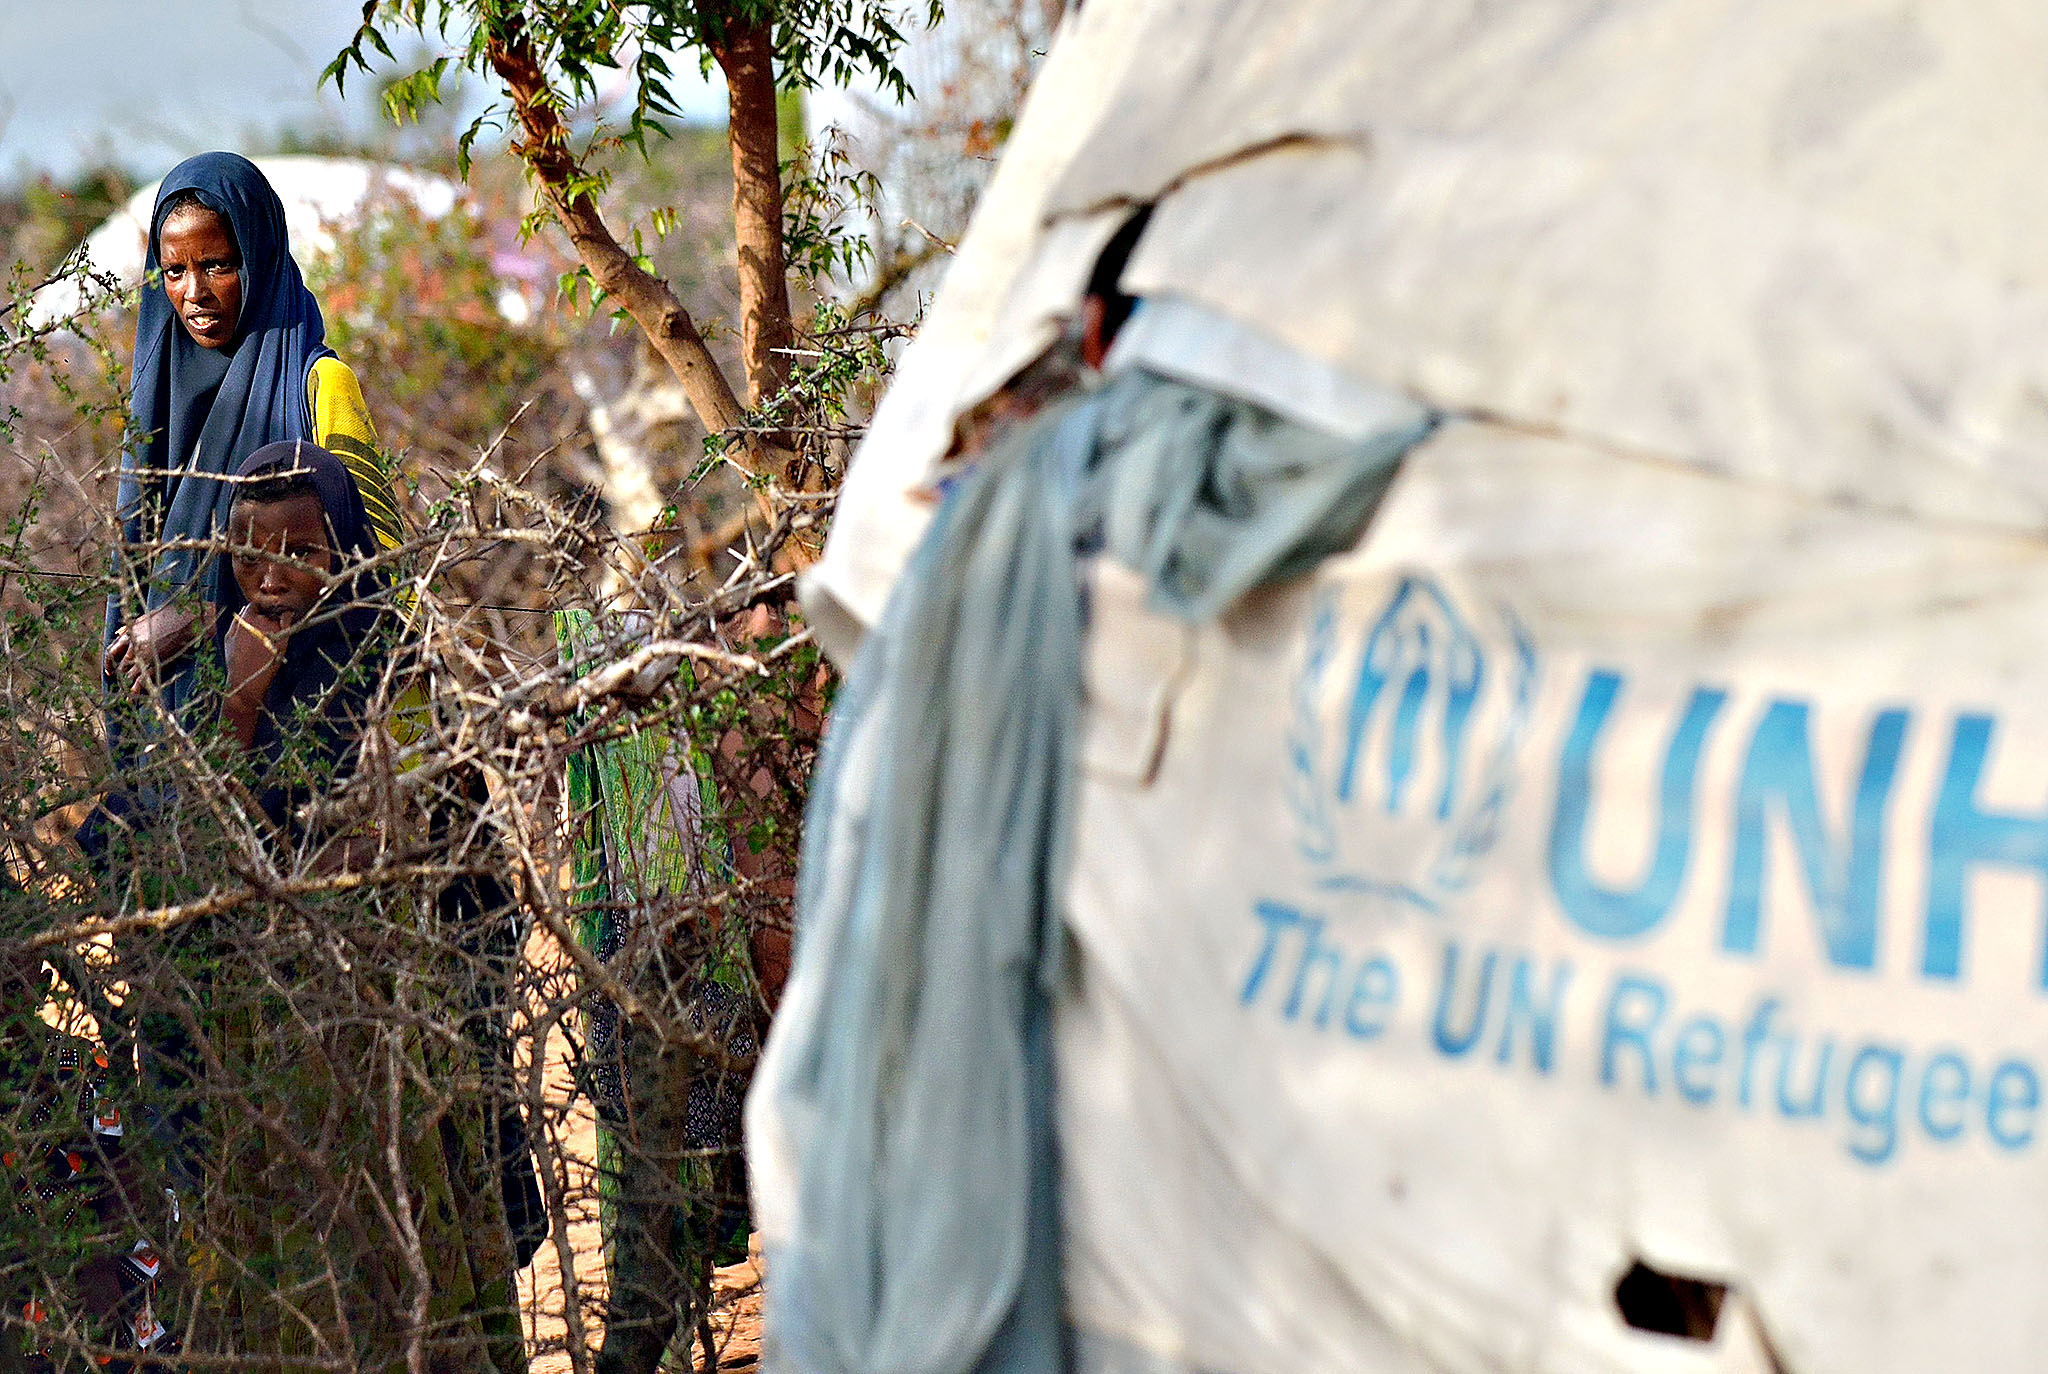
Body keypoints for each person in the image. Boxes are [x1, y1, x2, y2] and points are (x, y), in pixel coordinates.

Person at [192, 440, 530, 1370]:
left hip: (393, 1008)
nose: (271, 576)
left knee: (419, 1246)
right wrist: (241, 698)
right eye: (248, 554)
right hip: (272, 1025)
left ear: (343, 547)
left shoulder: (390, 661)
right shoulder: (217, 664)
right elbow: (195, 839)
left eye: (301, 551)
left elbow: (423, 832)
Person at [101, 151, 403, 717]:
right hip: (167, 725)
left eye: (218, 264)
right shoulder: (157, 398)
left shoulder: (318, 386)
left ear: (259, 259)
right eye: (174, 271)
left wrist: (204, 618)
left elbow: (379, 580)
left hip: (297, 724)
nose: (195, 291)